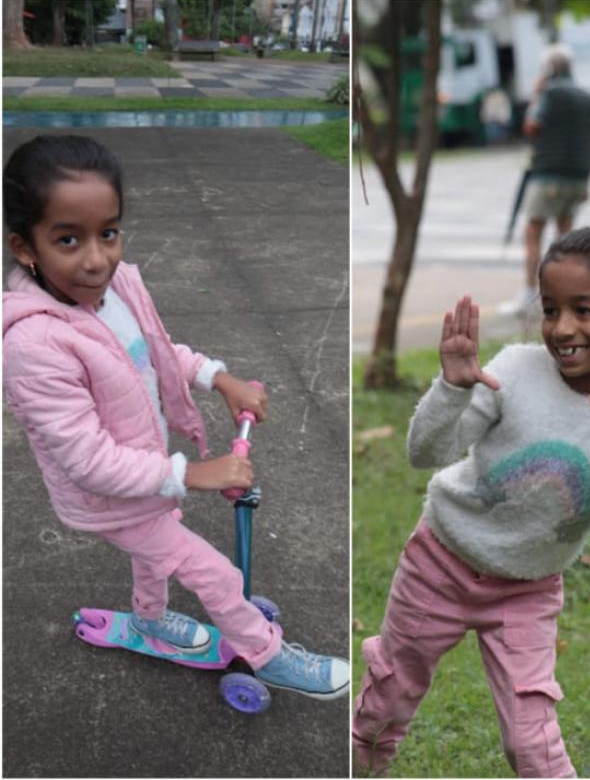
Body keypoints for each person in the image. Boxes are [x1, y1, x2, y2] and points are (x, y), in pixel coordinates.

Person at [1, 135, 348, 697]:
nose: (96, 259)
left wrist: (219, 378)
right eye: (68, 239)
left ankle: (150, 617)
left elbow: (156, 351)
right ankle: (268, 656)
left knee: (158, 552)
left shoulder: (115, 291)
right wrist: (192, 473)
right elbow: (88, 461)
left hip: (147, 473)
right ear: (25, 247)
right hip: (110, 497)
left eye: (107, 233)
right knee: (214, 573)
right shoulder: (34, 346)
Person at [353, 228, 590, 777]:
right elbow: (424, 452)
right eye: (550, 310)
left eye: (584, 310)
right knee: (386, 704)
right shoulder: (517, 370)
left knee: (534, 744)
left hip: (527, 590)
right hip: (441, 562)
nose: (561, 328)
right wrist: (452, 388)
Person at [500, 44, 590, 317]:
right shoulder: (583, 96)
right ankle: (567, 294)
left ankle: (530, 294)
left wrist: (536, 93)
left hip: (548, 174)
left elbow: (531, 126)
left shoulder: (549, 94)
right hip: (577, 175)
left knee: (533, 234)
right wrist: (587, 180)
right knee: (565, 238)